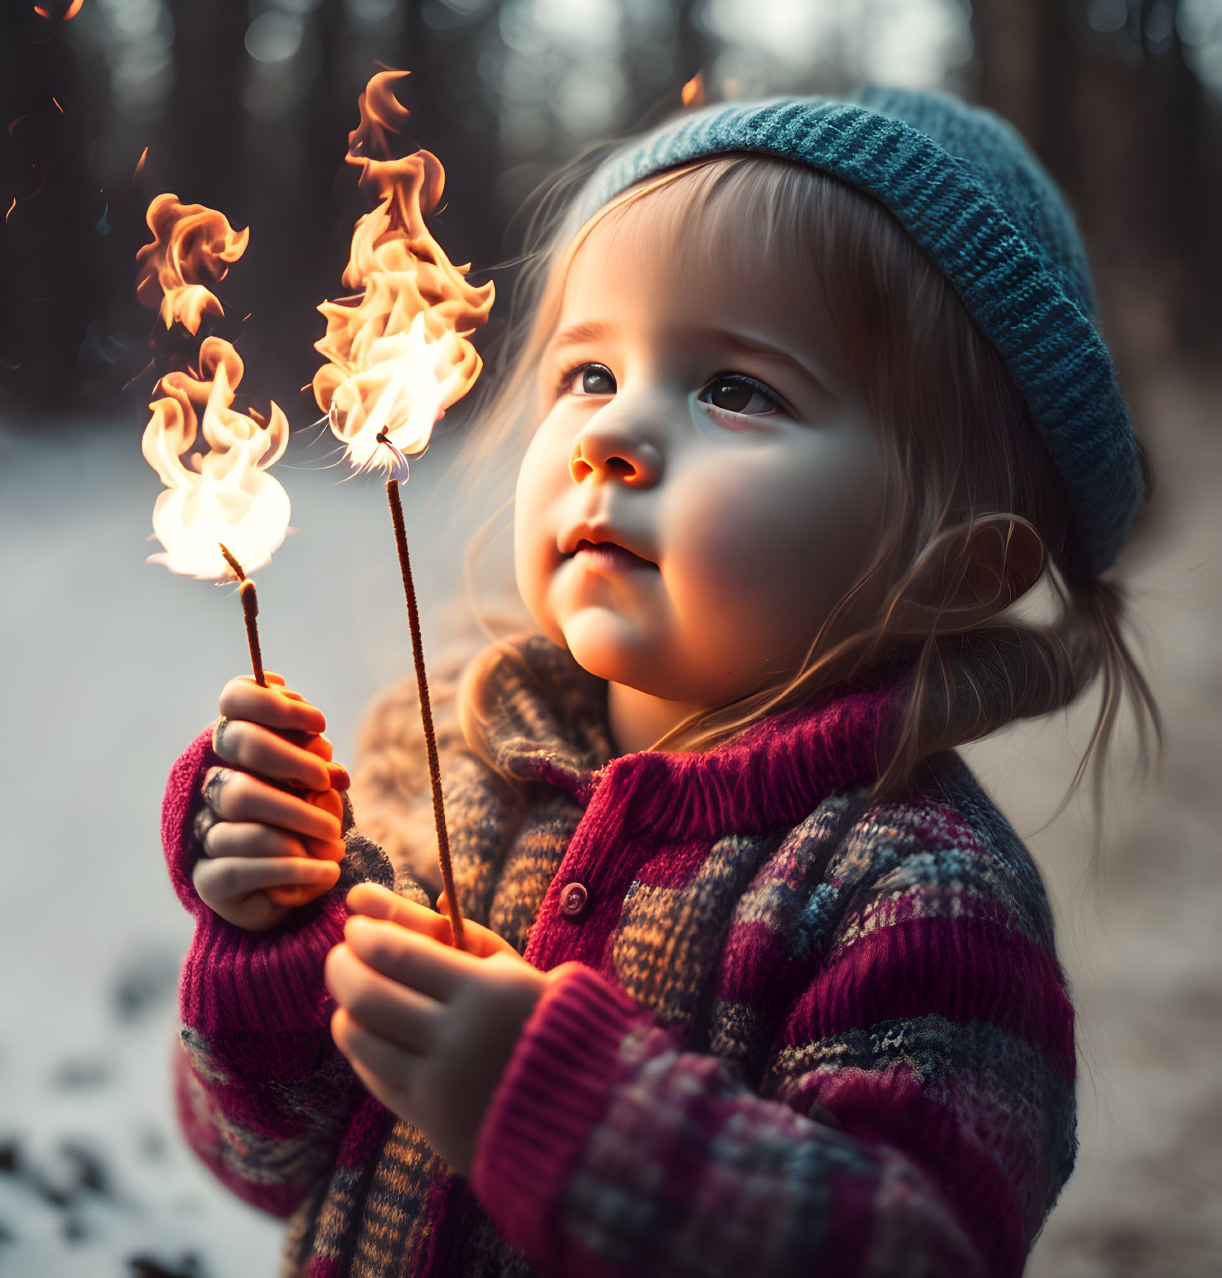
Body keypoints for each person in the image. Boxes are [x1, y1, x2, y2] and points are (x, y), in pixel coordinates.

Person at [158, 85, 1163, 1276]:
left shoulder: (917, 900)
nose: (609, 436)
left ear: (956, 566)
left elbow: (908, 1249)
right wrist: (273, 936)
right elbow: (258, 1161)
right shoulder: (437, 765)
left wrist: (560, 1109)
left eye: (736, 389)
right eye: (587, 374)